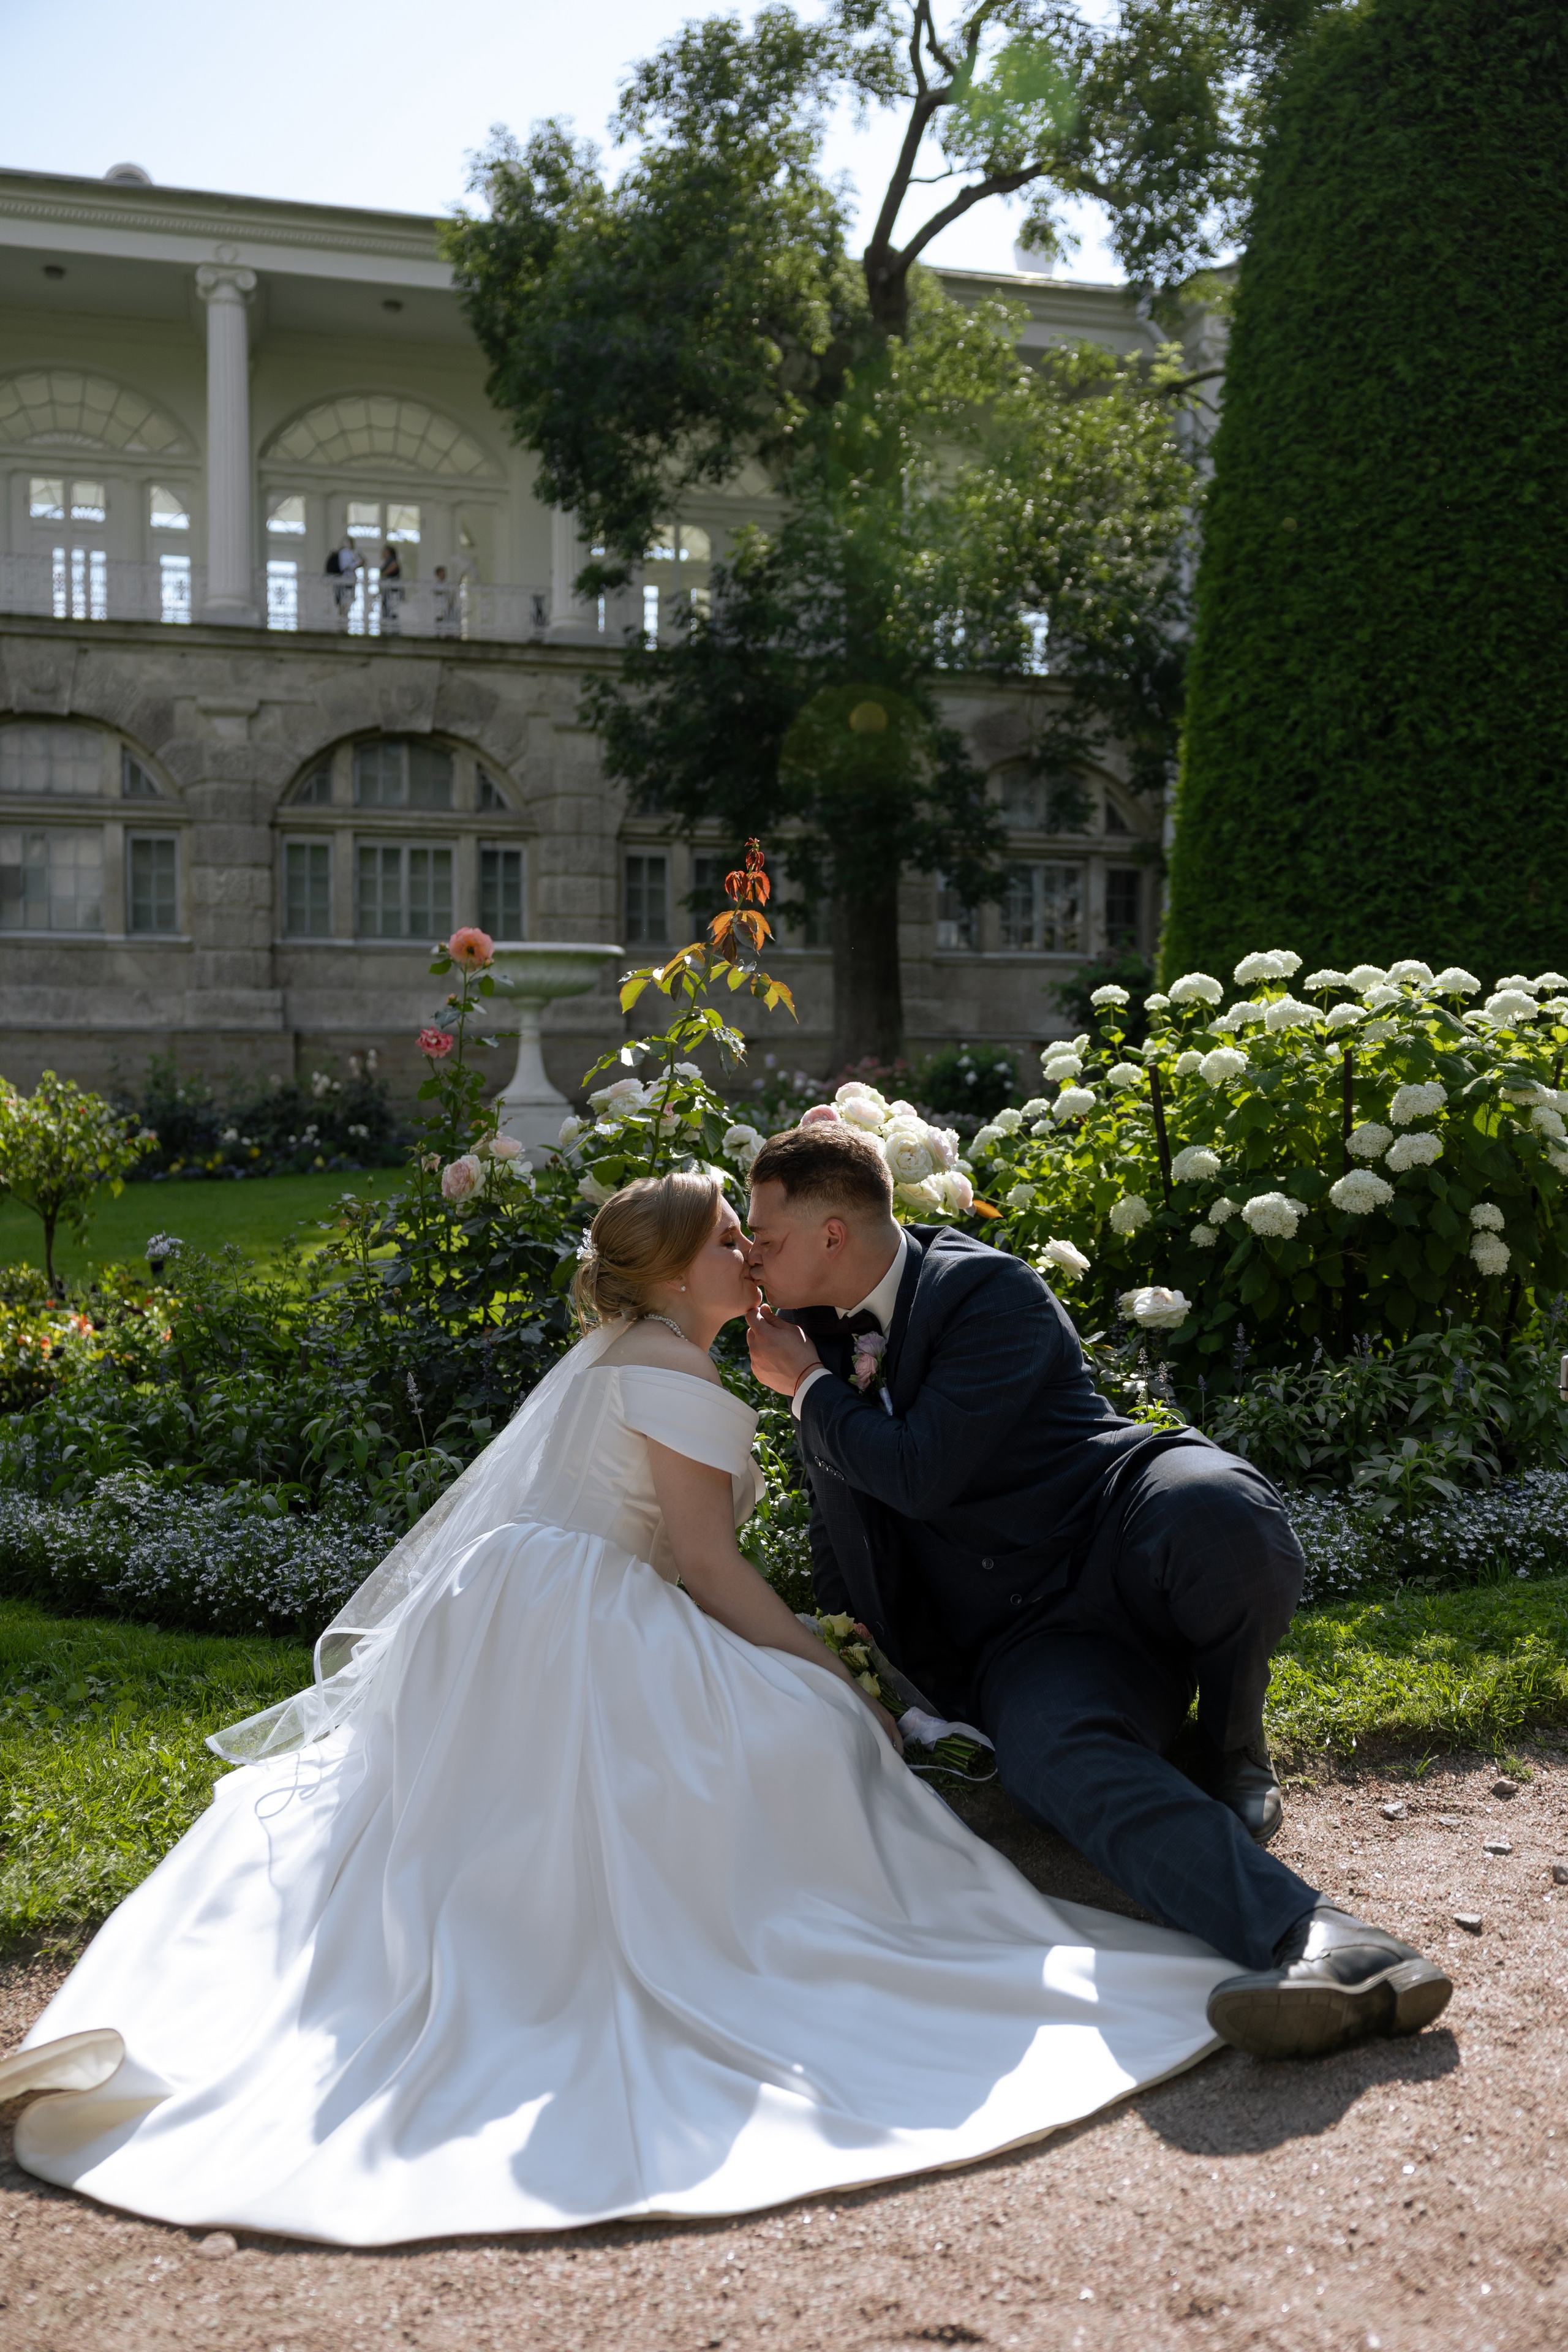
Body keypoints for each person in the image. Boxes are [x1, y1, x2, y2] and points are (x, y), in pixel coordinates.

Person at [0, 1172, 1235, 2246]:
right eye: (725, 1245)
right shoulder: (680, 1380)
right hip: (584, 1614)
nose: (749, 1258)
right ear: (669, 1274)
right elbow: (704, 1566)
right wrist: (823, 1670)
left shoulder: (622, 1360)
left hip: (494, 1615)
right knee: (801, 1733)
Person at [743, 1122, 1453, 2063]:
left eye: (767, 1233)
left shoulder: (984, 1290)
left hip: (1119, 1523)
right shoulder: (813, 1343)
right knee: (1056, 1763)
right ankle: (1329, 1943)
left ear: (834, 1232)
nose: (754, 1254)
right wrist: (889, 1687)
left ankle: (1233, 1742)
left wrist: (804, 1387)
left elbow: (920, 1473)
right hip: (1032, 1642)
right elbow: (849, 1527)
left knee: (1221, 1518)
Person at [324, 534, 359, 624]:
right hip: (345, 581)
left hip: (342, 581)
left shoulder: (344, 552)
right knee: (344, 602)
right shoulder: (345, 552)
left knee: (343, 602)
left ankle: (343, 621)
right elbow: (346, 566)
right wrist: (359, 564)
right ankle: (343, 622)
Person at [379, 540, 402, 633]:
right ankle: (387, 629)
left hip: (392, 591)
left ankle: (392, 630)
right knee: (387, 609)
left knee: (392, 610)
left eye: (384, 551)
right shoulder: (388, 561)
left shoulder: (392, 560)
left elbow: (395, 566)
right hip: (387, 590)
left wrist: (384, 574)